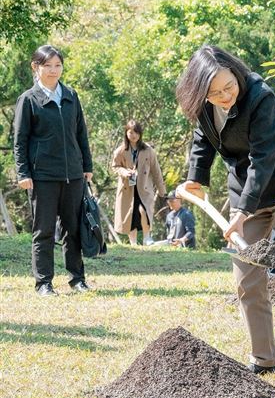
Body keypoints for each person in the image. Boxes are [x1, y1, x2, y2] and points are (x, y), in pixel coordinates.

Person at [175, 45, 275, 378]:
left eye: (229, 87)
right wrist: (196, 178)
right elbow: (202, 139)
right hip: (247, 194)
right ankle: (264, 359)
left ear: (237, 75)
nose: (225, 96)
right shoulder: (204, 106)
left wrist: (241, 211)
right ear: (200, 93)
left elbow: (263, 158)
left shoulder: (260, 97)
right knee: (247, 277)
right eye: (215, 93)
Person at [12, 45, 93, 297]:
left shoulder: (71, 95)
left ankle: (77, 279)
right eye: (48, 66)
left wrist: (87, 166)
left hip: (74, 175)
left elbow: (81, 133)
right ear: (36, 67)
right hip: (42, 177)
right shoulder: (28, 99)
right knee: (44, 230)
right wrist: (23, 173)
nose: (54, 70)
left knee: (74, 229)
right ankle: (43, 283)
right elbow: (20, 140)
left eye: (58, 65)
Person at [112, 120, 167, 246]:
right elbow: (115, 167)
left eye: (136, 132)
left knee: (144, 211)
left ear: (140, 133)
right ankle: (133, 242)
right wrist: (124, 172)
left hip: (144, 187)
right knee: (131, 214)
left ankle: (147, 237)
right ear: (126, 133)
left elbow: (156, 171)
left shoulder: (148, 150)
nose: (133, 135)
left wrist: (162, 190)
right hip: (128, 188)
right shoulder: (120, 151)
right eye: (130, 132)